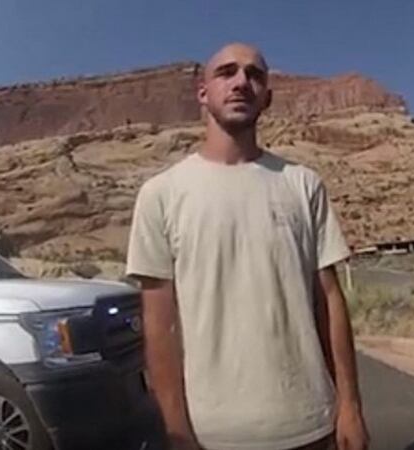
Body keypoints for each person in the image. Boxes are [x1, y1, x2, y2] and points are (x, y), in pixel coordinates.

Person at [126, 43, 369, 450]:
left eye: (254, 74)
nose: (241, 82)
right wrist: (176, 430)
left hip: (311, 426)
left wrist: (351, 407)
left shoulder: (302, 184)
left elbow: (329, 300)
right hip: (212, 435)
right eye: (227, 72)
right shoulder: (161, 195)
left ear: (267, 97)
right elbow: (160, 326)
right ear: (203, 92)